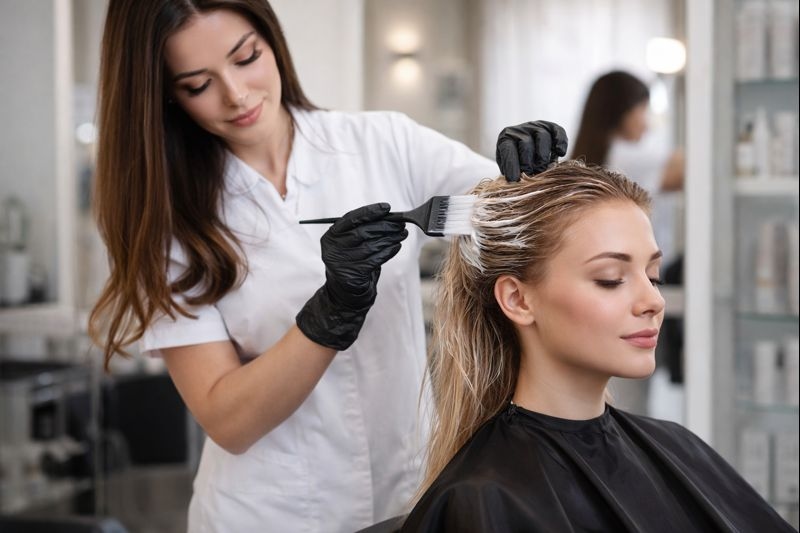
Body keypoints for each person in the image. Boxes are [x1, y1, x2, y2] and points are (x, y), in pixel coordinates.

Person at [87, 1, 566, 531]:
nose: (237, 95)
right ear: (164, 96)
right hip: (270, 514)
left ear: (271, 41)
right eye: (198, 85)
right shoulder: (166, 219)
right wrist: (331, 313)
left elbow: (522, 217)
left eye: (246, 58)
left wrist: (536, 174)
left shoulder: (382, 142)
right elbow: (228, 419)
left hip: (408, 493)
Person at [400, 161, 794, 532]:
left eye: (652, 275)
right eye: (610, 279)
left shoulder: (678, 445)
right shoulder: (485, 496)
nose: (653, 301)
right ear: (519, 300)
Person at [572, 70, 685, 414]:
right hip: (628, 303)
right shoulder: (626, 157)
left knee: (599, 404)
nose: (647, 124)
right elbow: (698, 165)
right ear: (622, 111)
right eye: (643, 112)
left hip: (597, 307)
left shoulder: (586, 159)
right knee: (628, 411)